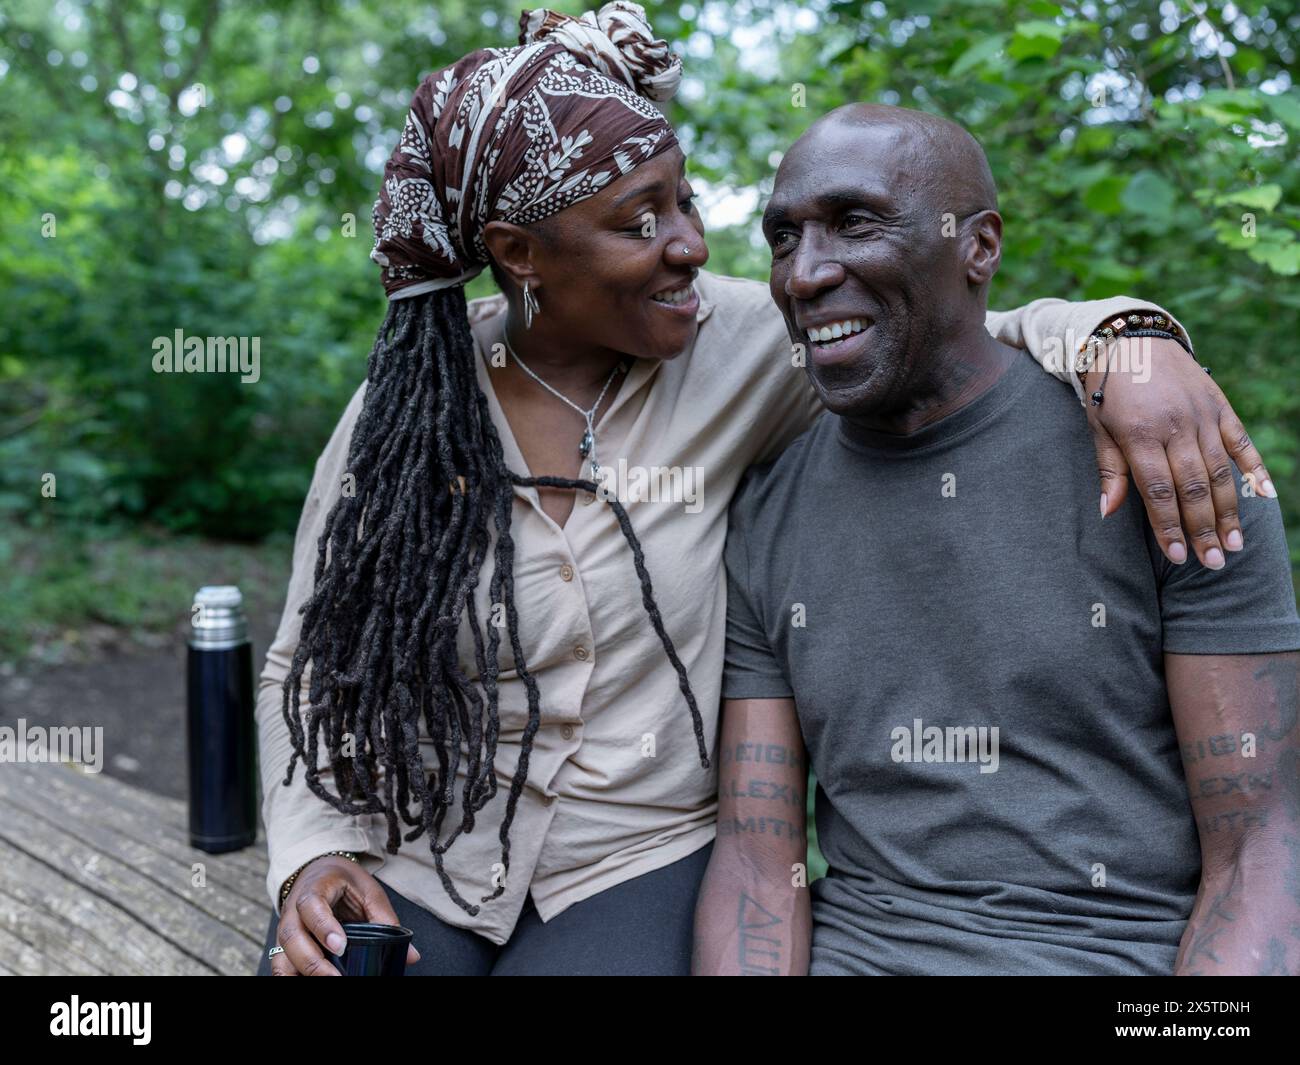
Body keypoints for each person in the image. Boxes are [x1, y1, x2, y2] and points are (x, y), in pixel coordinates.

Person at [256, 4, 1271, 976]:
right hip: (429, 841)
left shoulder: (740, 340)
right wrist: (311, 850)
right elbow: (303, 659)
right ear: (520, 256)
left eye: (685, 201)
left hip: (629, 858)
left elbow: (946, 334)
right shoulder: (405, 419)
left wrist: (1123, 341)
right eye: (637, 220)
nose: (693, 247)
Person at [695, 103, 1300, 976]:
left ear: (979, 247)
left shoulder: (1172, 462)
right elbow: (758, 862)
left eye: (853, 222)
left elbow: (1260, 849)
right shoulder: (766, 509)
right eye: (784, 238)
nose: (804, 275)